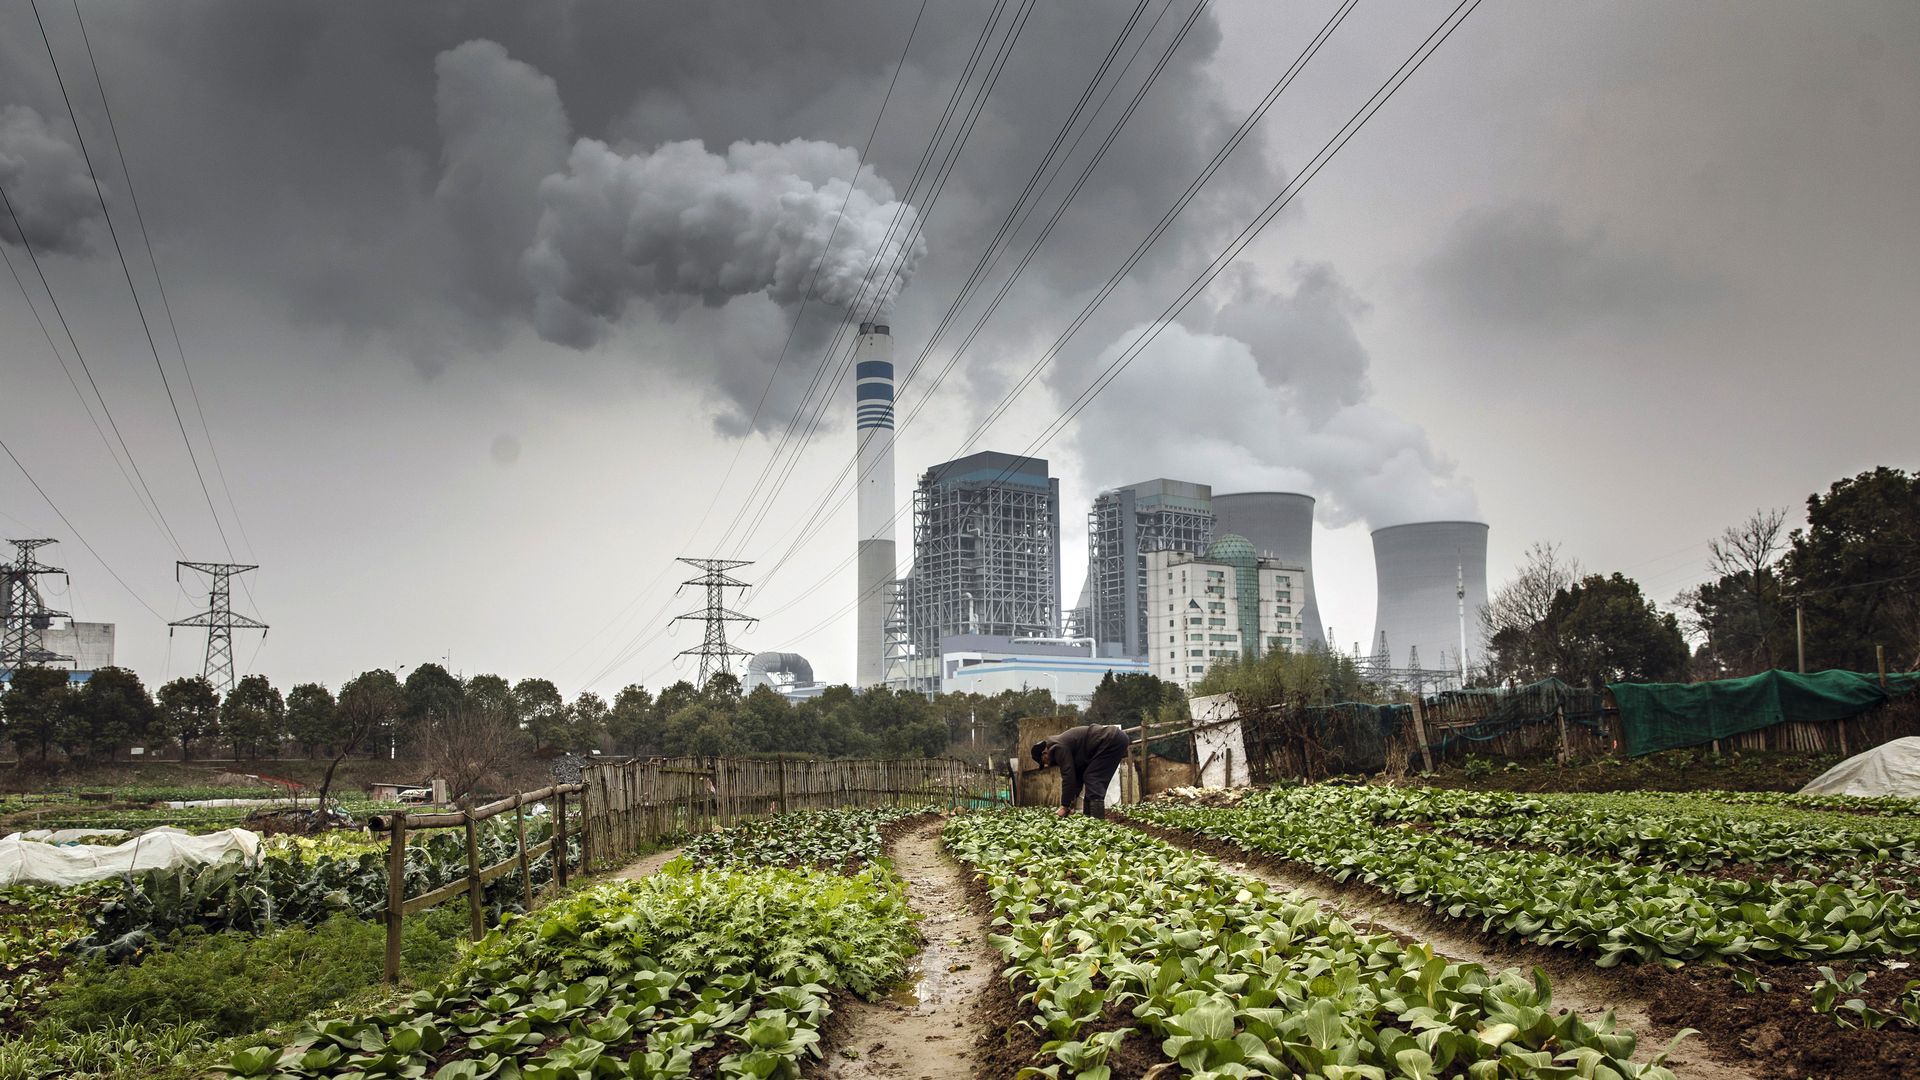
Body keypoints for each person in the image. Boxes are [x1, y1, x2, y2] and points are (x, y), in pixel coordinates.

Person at [1031, 723, 1131, 819]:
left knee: (1093, 778)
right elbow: (1078, 776)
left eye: (1044, 761)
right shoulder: (1063, 747)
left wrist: (1064, 806)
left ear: (1044, 753)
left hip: (1111, 739)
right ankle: (1089, 820)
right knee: (1089, 776)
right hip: (1113, 739)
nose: (1047, 764)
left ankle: (1097, 822)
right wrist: (1072, 801)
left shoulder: (1057, 748)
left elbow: (1068, 776)